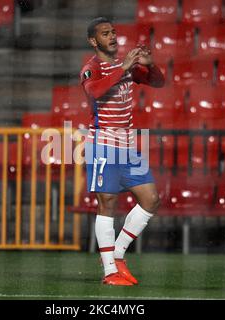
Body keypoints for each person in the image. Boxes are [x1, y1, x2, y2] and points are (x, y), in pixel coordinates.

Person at [80, 17, 165, 286]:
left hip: (127, 147)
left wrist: (151, 67)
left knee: (151, 199)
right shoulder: (91, 68)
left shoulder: (125, 66)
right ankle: (109, 273)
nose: (113, 37)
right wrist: (124, 67)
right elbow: (94, 92)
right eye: (105, 34)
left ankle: (117, 254)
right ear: (94, 41)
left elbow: (158, 82)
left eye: (114, 32)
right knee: (108, 204)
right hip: (103, 145)